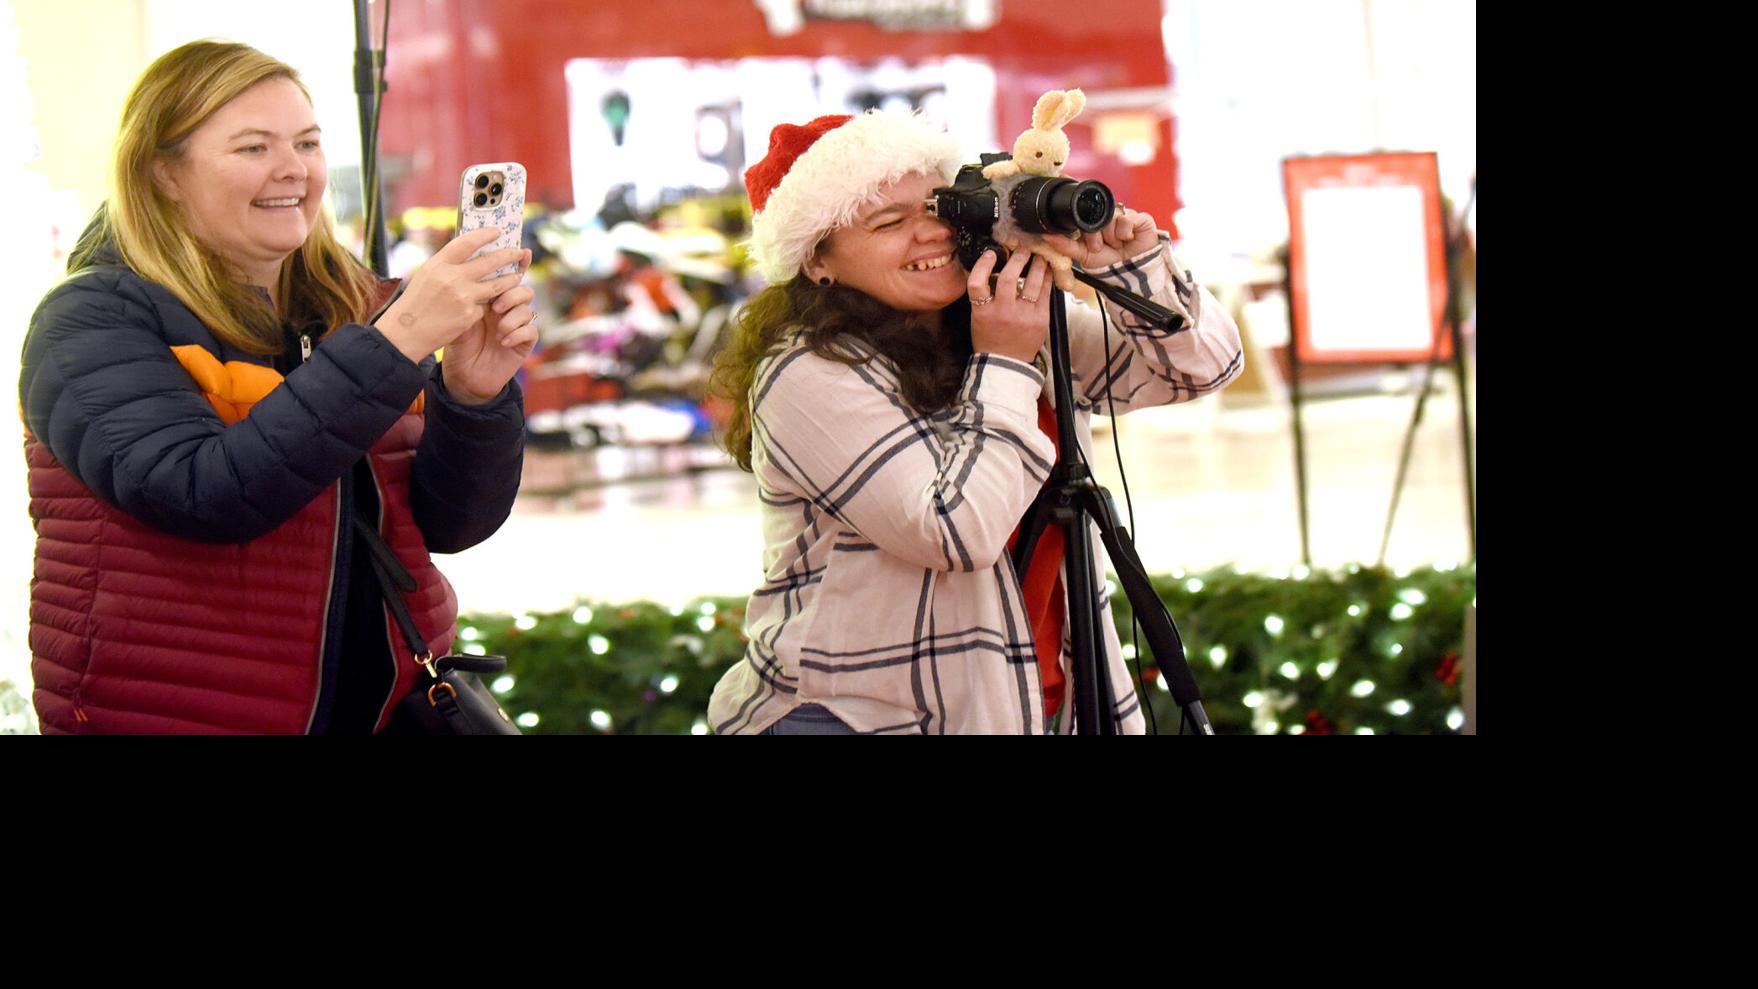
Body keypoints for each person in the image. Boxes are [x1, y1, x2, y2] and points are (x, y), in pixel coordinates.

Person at [19, 41, 537, 734]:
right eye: (254, 147)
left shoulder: (354, 305)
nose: (294, 169)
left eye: (307, 143)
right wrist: (399, 339)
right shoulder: (91, 320)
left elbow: (450, 525)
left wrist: (473, 396)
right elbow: (203, 494)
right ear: (162, 171)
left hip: (387, 709)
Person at [707, 110, 1244, 734]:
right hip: (862, 718)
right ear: (815, 261)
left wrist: (1131, 265)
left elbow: (1201, 369)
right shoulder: (807, 372)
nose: (931, 233)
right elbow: (956, 532)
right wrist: (1005, 361)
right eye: (888, 222)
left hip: (1034, 701)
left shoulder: (999, 320)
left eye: (939, 206)